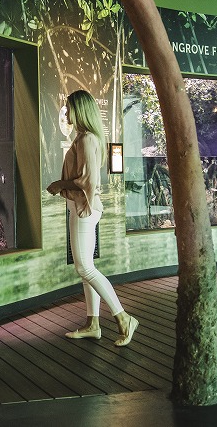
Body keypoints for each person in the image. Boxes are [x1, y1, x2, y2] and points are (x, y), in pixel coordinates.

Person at [46, 90, 139, 347]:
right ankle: (92, 324)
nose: (66, 112)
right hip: (82, 207)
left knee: (85, 268)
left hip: (83, 208)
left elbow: (88, 181)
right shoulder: (85, 138)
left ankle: (123, 318)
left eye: (69, 108)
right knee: (86, 267)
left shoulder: (87, 139)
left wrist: (59, 184)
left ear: (80, 110)